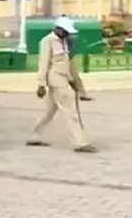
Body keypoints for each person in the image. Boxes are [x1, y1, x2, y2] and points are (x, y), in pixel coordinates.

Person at [26, 16, 97, 153]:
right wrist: (40, 84)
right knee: (71, 111)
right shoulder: (48, 41)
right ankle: (80, 143)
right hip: (55, 80)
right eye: (65, 31)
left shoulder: (64, 41)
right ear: (58, 29)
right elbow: (43, 62)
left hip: (63, 79)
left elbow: (65, 63)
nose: (68, 34)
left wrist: (72, 80)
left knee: (49, 111)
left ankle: (35, 136)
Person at [66, 35, 92, 101]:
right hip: (59, 59)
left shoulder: (68, 33)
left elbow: (73, 38)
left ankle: (82, 94)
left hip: (69, 58)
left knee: (75, 77)